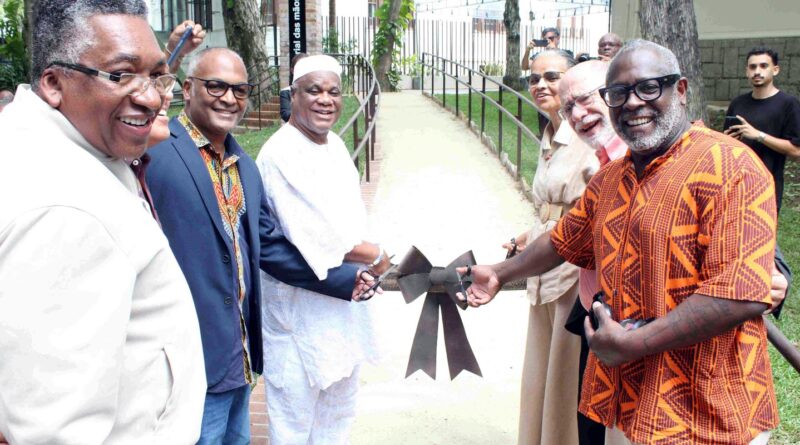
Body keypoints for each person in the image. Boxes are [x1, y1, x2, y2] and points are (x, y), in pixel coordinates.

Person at [464, 40, 778, 445]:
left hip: (707, 408)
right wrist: (499, 272)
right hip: (628, 399)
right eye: (618, 94)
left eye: (648, 88)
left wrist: (635, 343)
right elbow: (564, 240)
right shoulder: (612, 179)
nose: (632, 103)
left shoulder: (731, 166)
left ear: (680, 90)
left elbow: (739, 295)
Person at [0, 0, 206, 443]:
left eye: (155, 74)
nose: (151, 97)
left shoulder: (59, 149)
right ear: (54, 83)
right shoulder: (68, 209)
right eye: (121, 74)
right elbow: (53, 432)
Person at [146, 48, 376, 443]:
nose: (229, 98)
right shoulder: (158, 153)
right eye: (216, 86)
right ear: (188, 88)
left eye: (239, 89)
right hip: (185, 355)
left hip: (239, 352)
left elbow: (266, 248)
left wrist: (343, 280)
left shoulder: (242, 165)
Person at [256, 54, 391, 445]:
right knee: (294, 423)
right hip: (298, 313)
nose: (325, 100)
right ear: (292, 96)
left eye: (333, 91)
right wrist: (377, 255)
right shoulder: (281, 152)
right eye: (313, 90)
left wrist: (368, 258)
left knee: (337, 417)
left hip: (341, 307)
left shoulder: (332, 143)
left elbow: (349, 220)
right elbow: (318, 235)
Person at [502, 49, 596, 445]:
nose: (540, 85)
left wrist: (553, 232)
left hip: (573, 266)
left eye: (552, 76)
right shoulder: (549, 131)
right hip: (545, 260)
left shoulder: (585, 132)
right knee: (543, 364)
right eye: (533, 79)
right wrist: (530, 234)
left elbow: (592, 205)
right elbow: (552, 204)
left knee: (564, 368)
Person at [557, 59, 627, 445]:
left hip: (642, 330)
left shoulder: (645, 154)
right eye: (568, 108)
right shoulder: (602, 162)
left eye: (586, 99)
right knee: (594, 428)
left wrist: (777, 274)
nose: (578, 114)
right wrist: (501, 272)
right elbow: (567, 239)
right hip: (597, 316)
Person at [724, 46, 800, 212]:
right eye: (752, 67)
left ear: (775, 70)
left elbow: (796, 151)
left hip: (767, 187)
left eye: (763, 66)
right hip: (733, 186)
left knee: (762, 237)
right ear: (747, 71)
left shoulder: (788, 104)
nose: (757, 71)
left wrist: (758, 135)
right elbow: (726, 144)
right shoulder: (738, 103)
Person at [279, 52, 308, 122]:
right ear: (292, 70)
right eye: (299, 67)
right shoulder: (286, 92)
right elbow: (285, 114)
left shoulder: (316, 91)